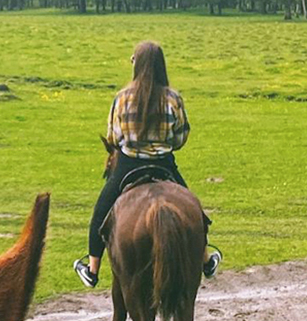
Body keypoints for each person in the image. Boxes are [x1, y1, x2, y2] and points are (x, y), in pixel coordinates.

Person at [72, 39, 221, 288]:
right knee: (196, 211)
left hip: (128, 164)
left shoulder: (121, 98)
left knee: (101, 211)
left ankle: (92, 269)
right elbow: (180, 137)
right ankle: (205, 261)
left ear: (136, 65)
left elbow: (113, 138)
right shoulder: (174, 98)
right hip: (164, 164)